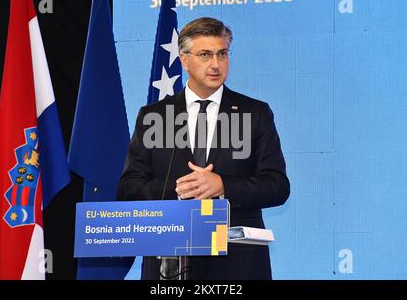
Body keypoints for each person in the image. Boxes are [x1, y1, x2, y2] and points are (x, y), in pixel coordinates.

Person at [118, 17, 290, 280]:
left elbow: (277, 185)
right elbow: (129, 189)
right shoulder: (154, 116)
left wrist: (223, 185)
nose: (216, 64)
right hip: (169, 265)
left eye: (222, 54)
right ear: (184, 60)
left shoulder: (255, 113)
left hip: (238, 265)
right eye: (205, 54)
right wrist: (176, 190)